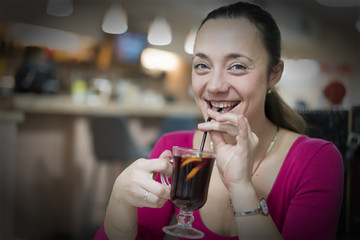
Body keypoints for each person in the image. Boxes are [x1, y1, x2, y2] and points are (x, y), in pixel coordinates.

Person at [94, 1, 344, 239]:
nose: (214, 86)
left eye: (237, 66)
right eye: (202, 65)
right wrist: (119, 200)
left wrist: (242, 188)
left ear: (274, 74)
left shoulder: (316, 160)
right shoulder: (172, 149)